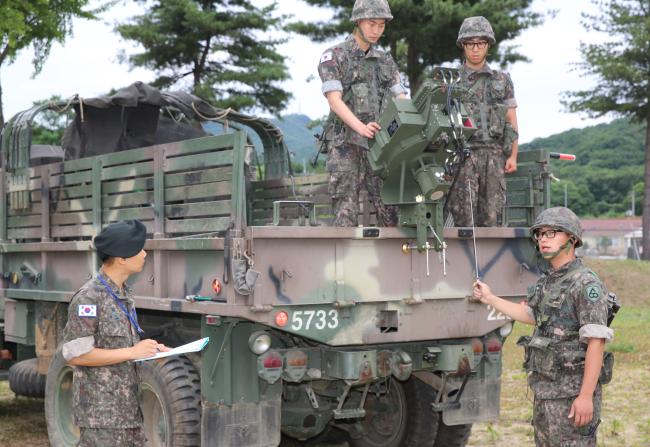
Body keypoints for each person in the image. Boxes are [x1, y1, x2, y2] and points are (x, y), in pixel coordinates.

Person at [473, 207, 614, 446]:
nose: (543, 240)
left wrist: (585, 396)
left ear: (572, 238)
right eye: (540, 234)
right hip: (545, 390)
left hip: (571, 396)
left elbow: (596, 342)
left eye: (552, 233)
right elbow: (531, 315)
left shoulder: (586, 284)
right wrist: (489, 298)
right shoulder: (548, 281)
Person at [61, 219, 169, 446]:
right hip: (102, 418)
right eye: (139, 249)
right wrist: (131, 352)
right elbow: (76, 355)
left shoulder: (123, 294)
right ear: (122, 258)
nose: (145, 254)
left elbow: (120, 347)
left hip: (129, 412)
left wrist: (149, 350)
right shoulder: (89, 298)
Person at [318, 0, 407, 227]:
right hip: (346, 146)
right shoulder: (335, 56)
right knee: (345, 216)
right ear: (358, 21)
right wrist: (361, 128)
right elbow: (334, 101)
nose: (376, 30)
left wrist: (412, 127)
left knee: (393, 213)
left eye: (381, 25)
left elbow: (401, 99)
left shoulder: (385, 61)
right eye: (371, 24)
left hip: (380, 146)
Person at [445, 16, 519, 227]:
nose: (475, 49)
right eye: (470, 43)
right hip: (462, 155)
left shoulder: (502, 79)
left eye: (480, 43)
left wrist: (513, 155)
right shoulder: (451, 80)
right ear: (463, 46)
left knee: (492, 217)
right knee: (463, 218)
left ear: (488, 45)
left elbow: (511, 118)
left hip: (494, 156)